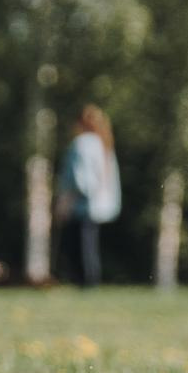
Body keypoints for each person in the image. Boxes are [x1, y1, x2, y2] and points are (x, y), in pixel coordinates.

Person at [55, 104, 121, 289]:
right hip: (98, 205)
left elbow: (80, 180)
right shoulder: (103, 144)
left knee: (78, 247)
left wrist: (65, 202)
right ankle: (91, 281)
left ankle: (84, 282)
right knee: (90, 246)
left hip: (81, 205)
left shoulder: (81, 144)